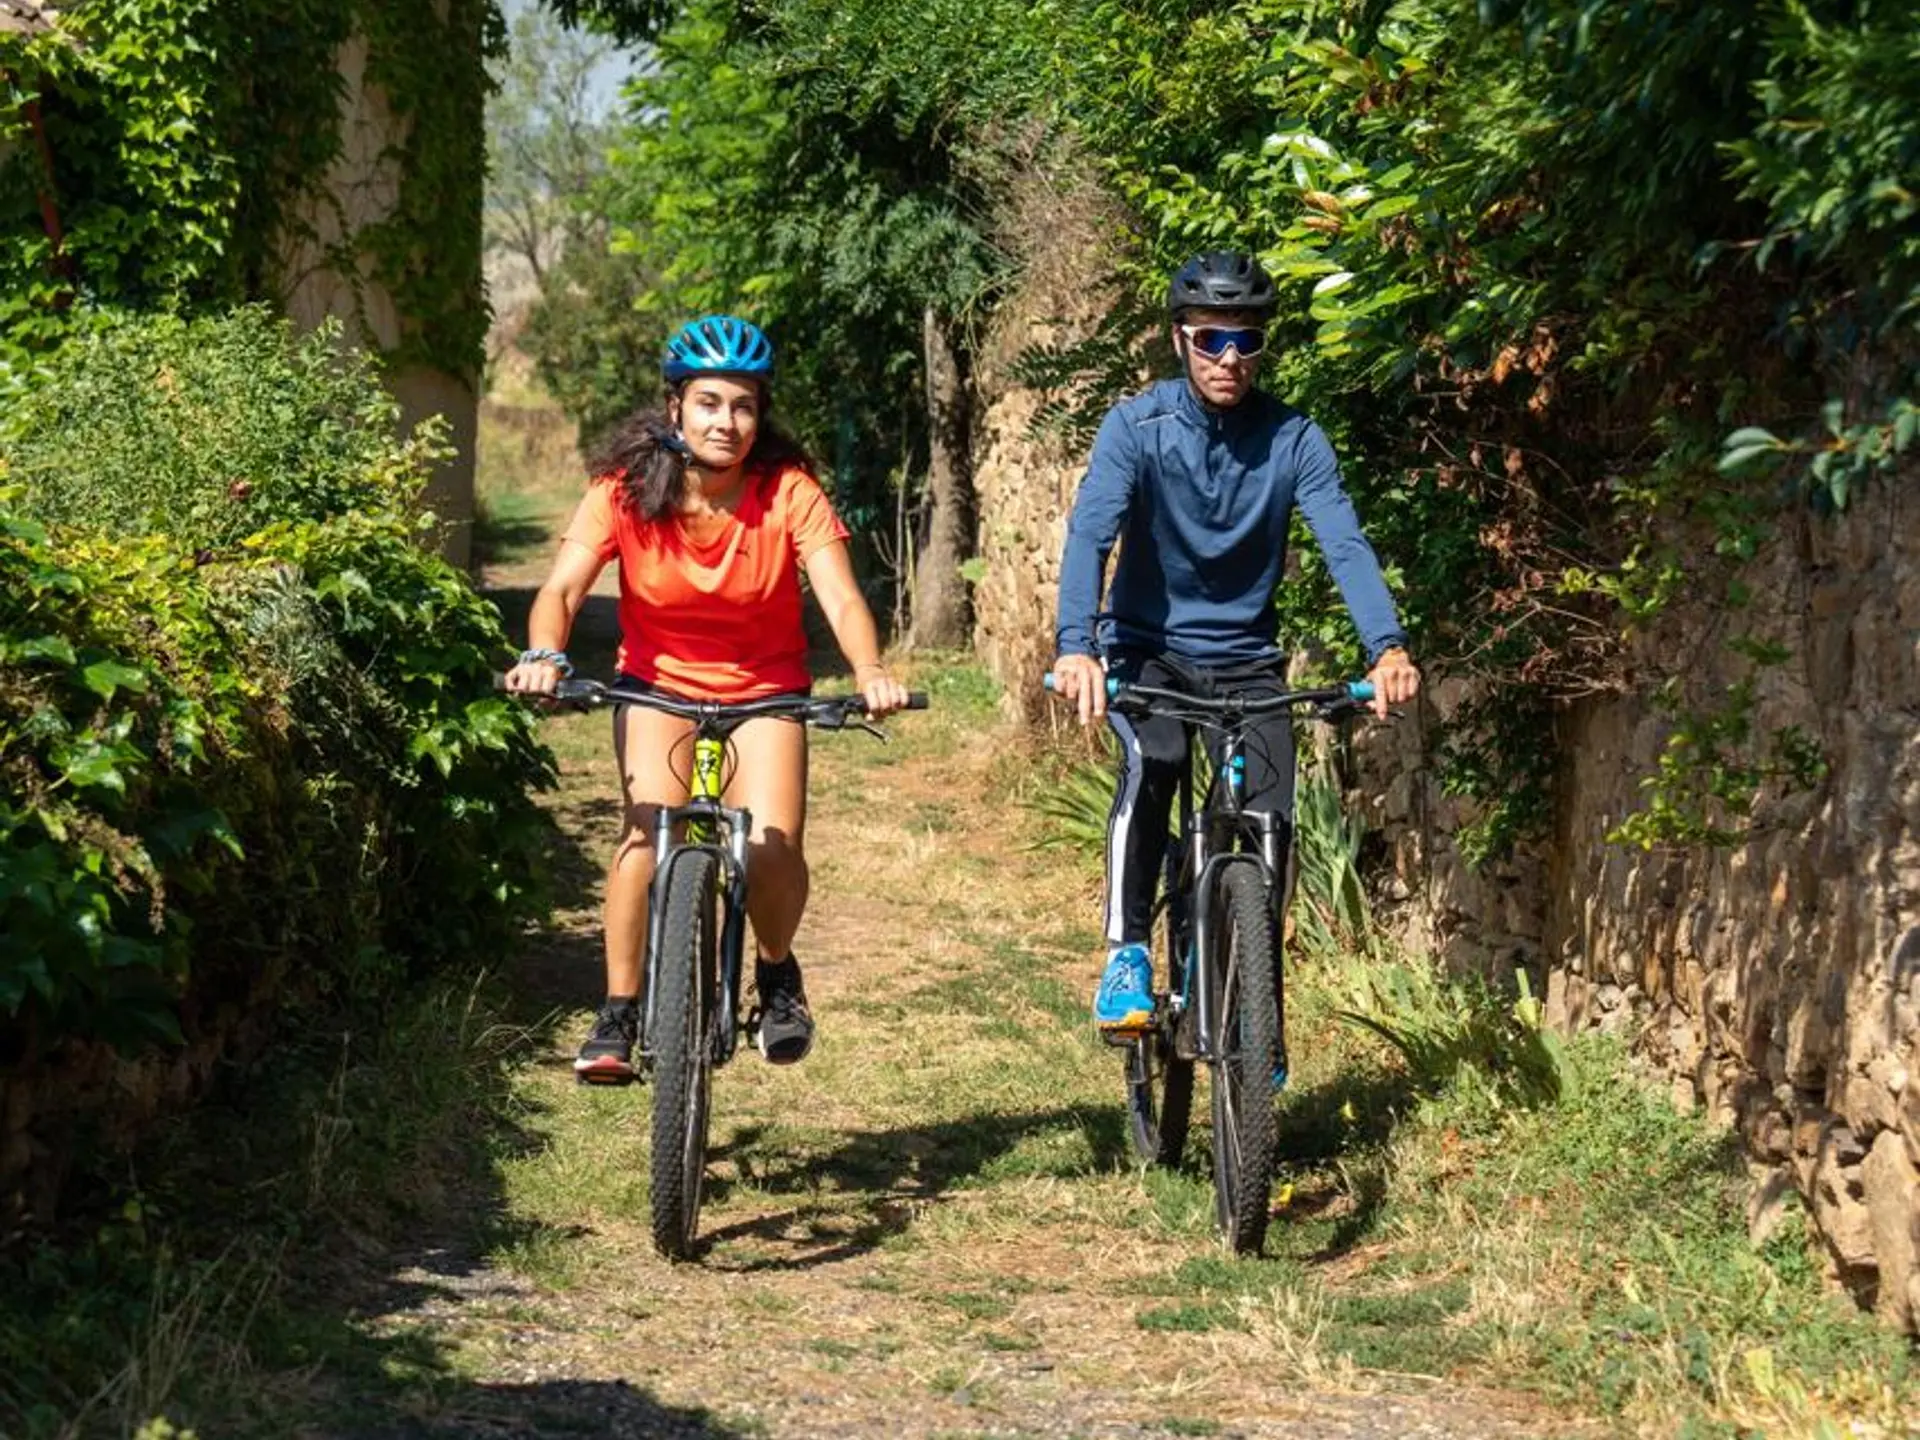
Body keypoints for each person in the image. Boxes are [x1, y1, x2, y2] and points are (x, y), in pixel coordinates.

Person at [505, 314, 909, 1081]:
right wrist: (544, 653)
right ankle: (619, 1013)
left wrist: (869, 670)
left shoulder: (788, 493)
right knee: (643, 839)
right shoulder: (622, 492)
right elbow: (561, 587)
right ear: (675, 408)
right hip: (656, 685)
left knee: (772, 848)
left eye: (745, 405)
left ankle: (777, 972)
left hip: (766, 693)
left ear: (761, 415)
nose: (728, 421)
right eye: (710, 402)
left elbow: (842, 598)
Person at [1049, 252, 1421, 1038]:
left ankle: (1257, 1010)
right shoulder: (1136, 428)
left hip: (1249, 662)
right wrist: (1076, 645)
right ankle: (1125, 952)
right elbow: (1091, 534)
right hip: (1147, 649)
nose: (1229, 358)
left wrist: (1386, 648)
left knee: (1271, 825)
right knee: (1160, 761)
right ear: (1180, 338)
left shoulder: (1295, 440)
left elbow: (1344, 545)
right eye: (1213, 337)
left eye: (1247, 341)